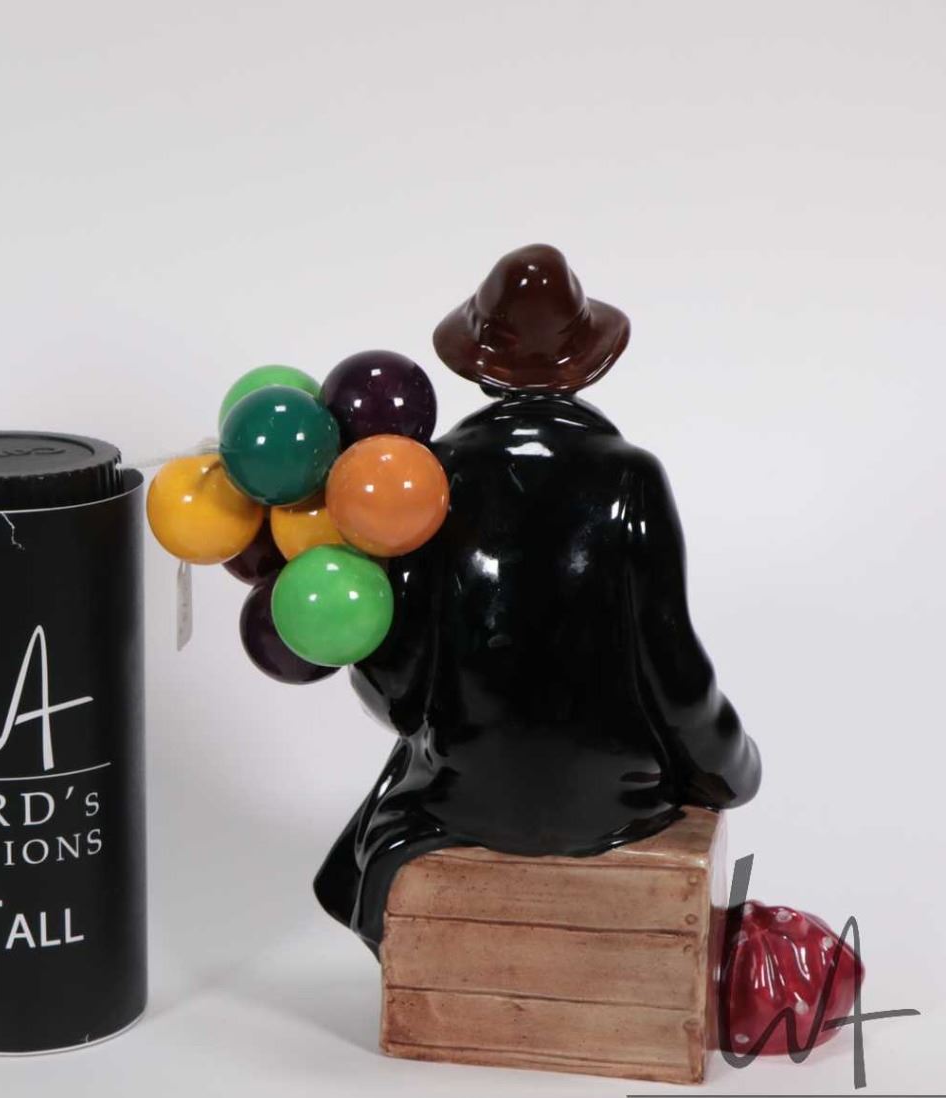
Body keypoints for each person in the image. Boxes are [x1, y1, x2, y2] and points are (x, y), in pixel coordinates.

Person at [314, 244, 760, 954]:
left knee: (410, 772)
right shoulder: (632, 478)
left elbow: (399, 698)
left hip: (467, 796)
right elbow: (671, 663)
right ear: (589, 363)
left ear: (478, 367)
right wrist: (729, 764)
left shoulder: (430, 481)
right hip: (611, 800)